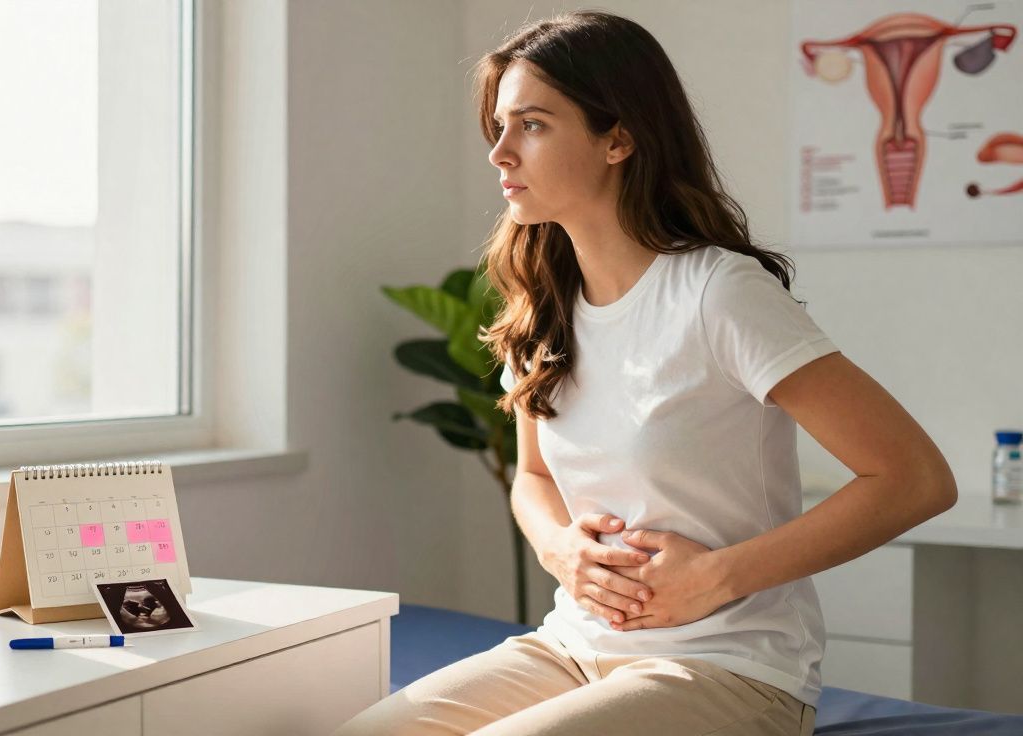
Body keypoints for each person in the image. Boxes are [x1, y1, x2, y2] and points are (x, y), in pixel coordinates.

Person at [334, 10, 956, 736]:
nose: (500, 153)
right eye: (499, 127)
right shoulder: (541, 303)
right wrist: (559, 549)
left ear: (618, 139)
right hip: (572, 647)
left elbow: (914, 478)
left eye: (532, 125)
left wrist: (715, 578)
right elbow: (532, 477)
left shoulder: (719, 293)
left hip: (726, 667)